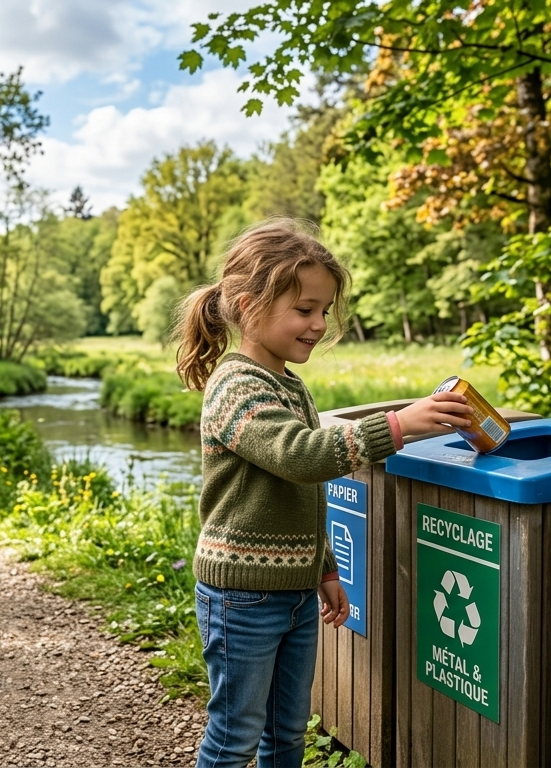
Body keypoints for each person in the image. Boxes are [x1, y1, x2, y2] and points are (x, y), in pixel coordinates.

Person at [173, 219, 474, 768]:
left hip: (291, 592)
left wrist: (325, 569)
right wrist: (398, 427)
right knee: (234, 735)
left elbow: (301, 498)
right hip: (241, 598)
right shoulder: (236, 385)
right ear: (246, 303)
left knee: (286, 732)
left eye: (324, 311)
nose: (318, 324)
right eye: (304, 309)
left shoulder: (288, 383)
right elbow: (302, 457)